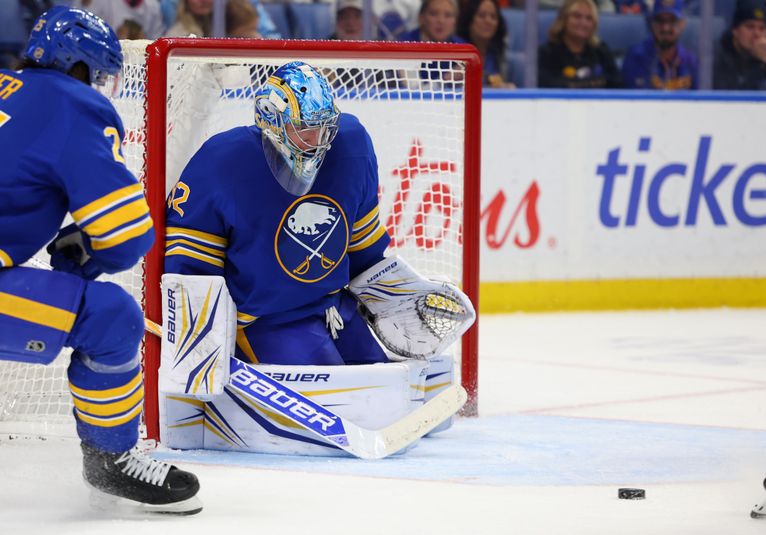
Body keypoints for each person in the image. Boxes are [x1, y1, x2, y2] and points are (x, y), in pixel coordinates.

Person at [0, 6, 201, 514]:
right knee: (111, 317)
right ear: (79, 67)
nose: (101, 88)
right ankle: (112, 462)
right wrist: (86, 255)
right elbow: (128, 235)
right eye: (100, 76)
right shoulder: (73, 104)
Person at [163, 61, 473, 367]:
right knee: (346, 390)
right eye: (304, 129)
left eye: (324, 126)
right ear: (271, 120)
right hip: (266, 321)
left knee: (384, 379)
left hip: (335, 308)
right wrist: (201, 347)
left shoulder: (351, 145)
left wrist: (391, 292)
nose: (318, 139)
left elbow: (362, 247)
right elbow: (190, 266)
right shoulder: (224, 161)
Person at [538, 0, 622, 88]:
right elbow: (546, 86)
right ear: (563, 19)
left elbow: (618, 85)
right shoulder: (546, 53)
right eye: (577, 16)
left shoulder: (601, 51)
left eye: (589, 18)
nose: (583, 23)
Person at [714, 0, 766, 90]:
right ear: (735, 31)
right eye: (750, 27)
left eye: (762, 28)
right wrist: (758, 66)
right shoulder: (717, 57)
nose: (757, 34)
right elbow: (737, 96)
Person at [621, 0, 699, 89]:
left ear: (682, 24)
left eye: (672, 21)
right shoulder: (637, 57)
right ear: (651, 23)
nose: (665, 28)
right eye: (660, 21)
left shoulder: (691, 61)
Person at [457, 0, 516, 88]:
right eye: (482, 15)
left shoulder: (497, 54)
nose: (488, 21)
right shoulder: (456, 47)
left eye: (493, 17)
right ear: (470, 19)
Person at [82, 0, 166, 40]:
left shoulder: (153, 7)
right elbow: (88, 30)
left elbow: (157, 41)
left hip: (141, 59)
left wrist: (142, 43)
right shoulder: (103, 2)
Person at [398, 0, 464, 43]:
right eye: (434, 14)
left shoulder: (462, 47)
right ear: (421, 18)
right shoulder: (403, 43)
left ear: (455, 20)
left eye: (448, 15)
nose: (441, 20)